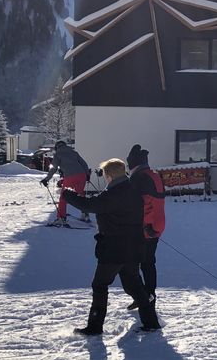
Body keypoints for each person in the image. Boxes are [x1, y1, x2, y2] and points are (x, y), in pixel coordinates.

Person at [63, 158, 161, 335]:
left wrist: (67, 194)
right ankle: (151, 322)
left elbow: (89, 205)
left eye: (104, 175)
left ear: (109, 176)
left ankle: (95, 326)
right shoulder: (132, 191)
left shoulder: (113, 194)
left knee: (100, 285)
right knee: (133, 284)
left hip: (115, 249)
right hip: (134, 246)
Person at [125, 145, 167, 311]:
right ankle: (148, 295)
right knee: (148, 262)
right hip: (158, 223)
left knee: (134, 264)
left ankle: (144, 296)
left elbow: (135, 204)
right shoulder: (154, 175)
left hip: (146, 226)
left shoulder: (138, 178)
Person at [40, 141, 91, 226]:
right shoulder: (74, 152)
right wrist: (87, 175)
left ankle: (61, 218)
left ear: (57, 147)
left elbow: (53, 168)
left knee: (64, 197)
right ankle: (85, 215)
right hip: (82, 175)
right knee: (81, 195)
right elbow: (84, 164)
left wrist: (47, 179)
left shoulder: (57, 154)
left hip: (70, 176)